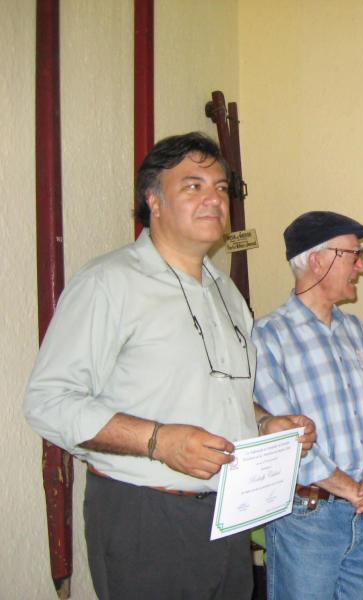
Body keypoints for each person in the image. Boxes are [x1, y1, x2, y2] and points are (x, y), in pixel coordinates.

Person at [24, 132, 315, 600]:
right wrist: (159, 441)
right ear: (153, 201)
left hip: (226, 515)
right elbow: (48, 403)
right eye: (193, 186)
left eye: (221, 188)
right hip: (144, 516)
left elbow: (223, 393)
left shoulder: (226, 292)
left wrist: (265, 423)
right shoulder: (109, 283)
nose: (214, 199)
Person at [253, 211, 363, 600]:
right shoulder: (268, 337)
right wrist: (356, 491)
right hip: (308, 520)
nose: (361, 266)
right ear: (316, 260)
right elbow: (287, 442)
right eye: (353, 255)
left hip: (362, 511)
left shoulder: (353, 329)